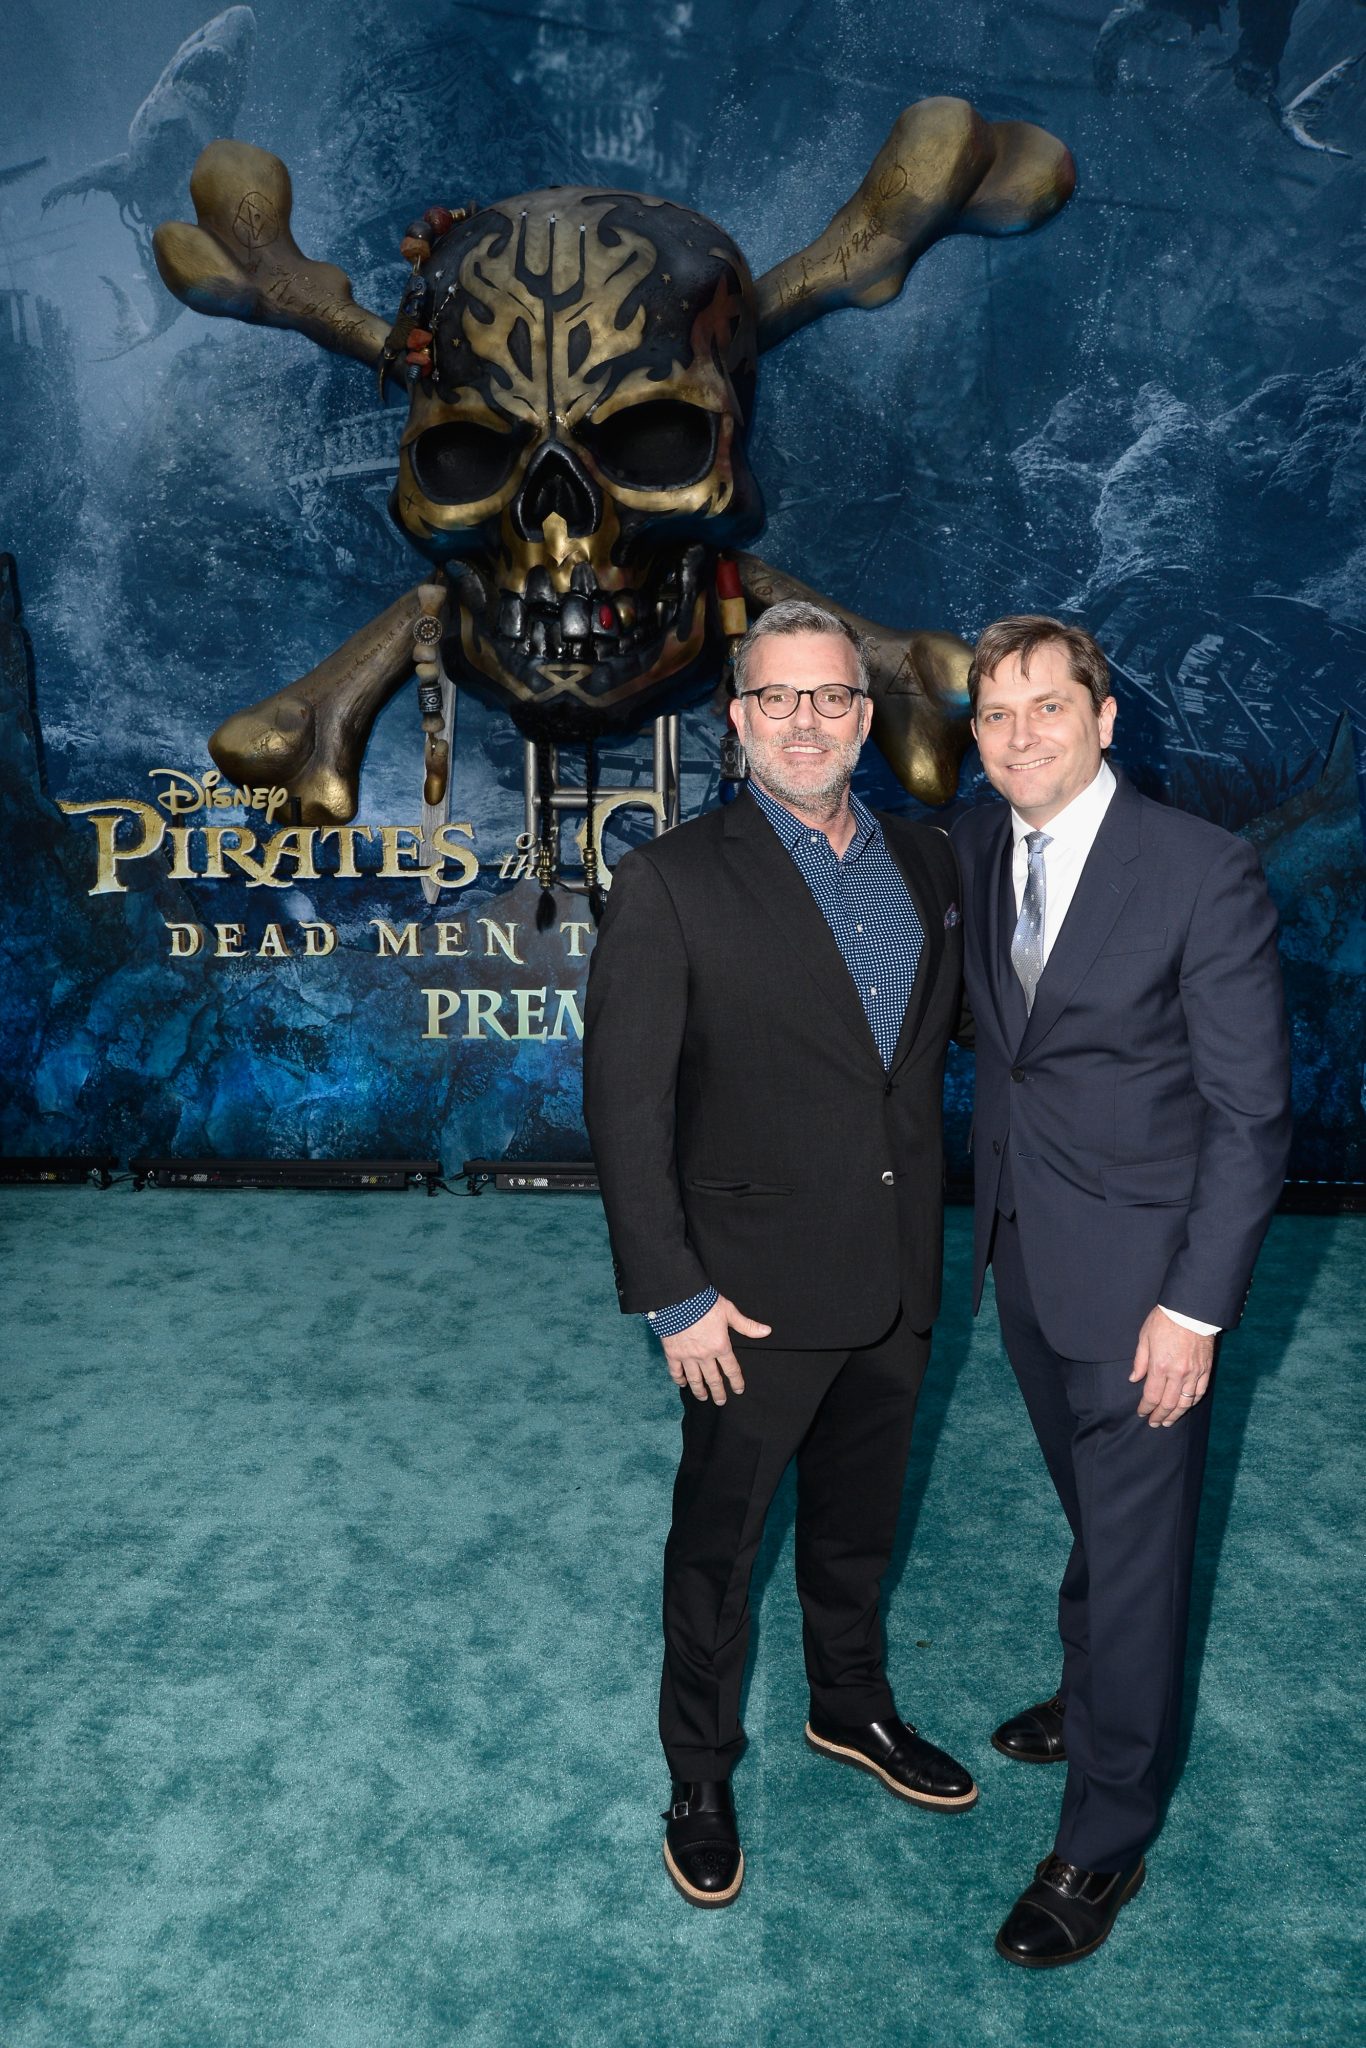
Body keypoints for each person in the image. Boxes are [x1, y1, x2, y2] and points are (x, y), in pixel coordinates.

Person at [583, 599, 977, 1909]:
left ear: (865, 718)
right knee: (720, 1552)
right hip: (743, 1300)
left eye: (831, 697)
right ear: (738, 718)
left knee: (859, 1529)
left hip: (897, 1273)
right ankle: (698, 1774)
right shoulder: (670, 881)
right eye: (777, 697)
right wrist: (674, 1296)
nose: (805, 720)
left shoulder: (928, 863)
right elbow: (626, 1111)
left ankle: (847, 1705)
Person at [950, 615, 1292, 1967]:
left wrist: (1194, 1310)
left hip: (1150, 1289)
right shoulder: (977, 847)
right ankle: (1099, 1702)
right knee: (1101, 1520)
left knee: (1139, 1553)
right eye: (994, 714)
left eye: (1047, 706)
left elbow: (1249, 1116)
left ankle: (1104, 1836)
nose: (1019, 734)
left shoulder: (1201, 870)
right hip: (1025, 1256)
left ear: (1104, 719)